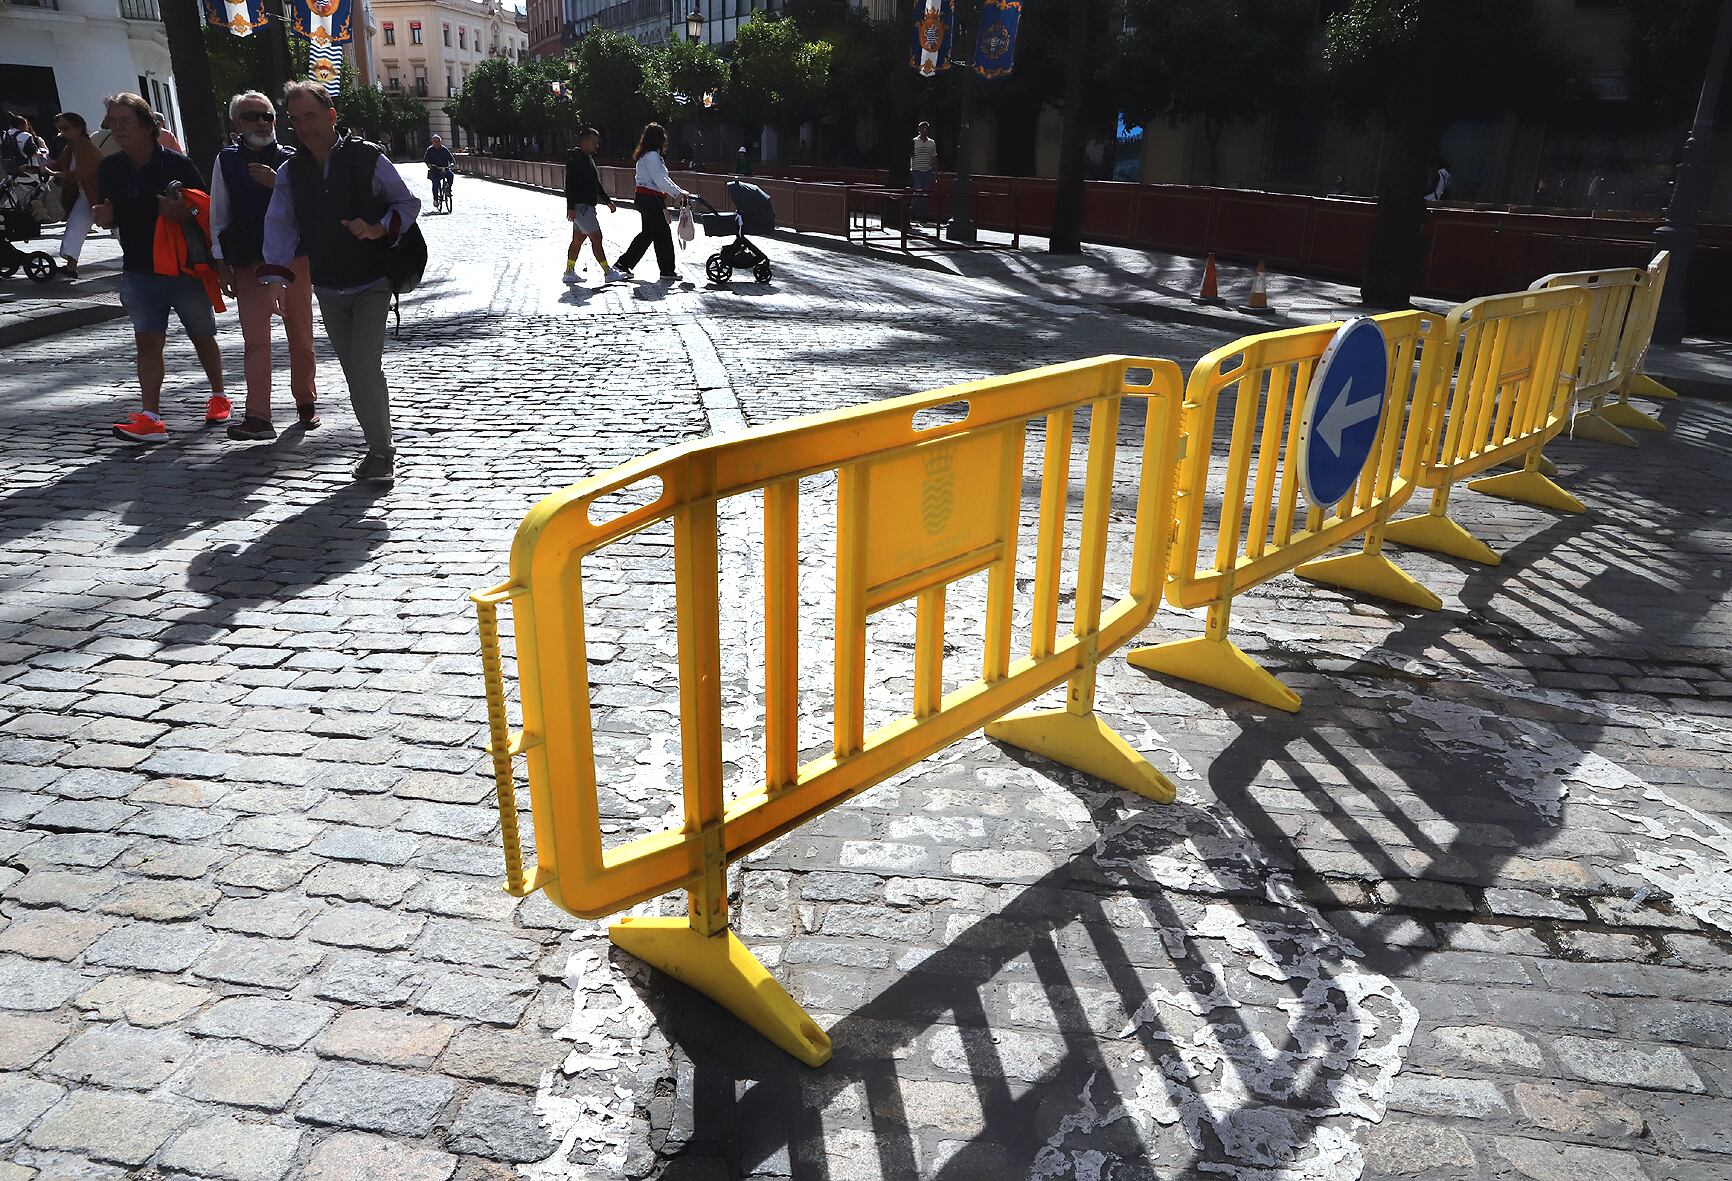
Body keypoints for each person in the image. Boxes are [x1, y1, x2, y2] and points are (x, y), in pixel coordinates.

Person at [260, 81, 420, 484]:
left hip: (372, 281)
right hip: (328, 287)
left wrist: (377, 227)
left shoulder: (367, 158)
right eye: (295, 120)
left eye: (310, 116)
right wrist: (275, 276)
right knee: (354, 371)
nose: (303, 127)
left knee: (364, 367)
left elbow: (407, 203)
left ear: (331, 116)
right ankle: (376, 448)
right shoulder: (291, 172)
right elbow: (280, 224)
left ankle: (381, 453)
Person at [91, 93, 229, 444]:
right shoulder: (110, 168)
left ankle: (219, 395)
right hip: (139, 270)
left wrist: (183, 212)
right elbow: (109, 212)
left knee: (202, 336)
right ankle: (151, 418)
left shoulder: (177, 164)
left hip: (184, 270)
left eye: (125, 121)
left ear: (147, 126)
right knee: (148, 343)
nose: (117, 128)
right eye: (113, 122)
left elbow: (206, 210)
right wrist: (105, 217)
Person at [211, 90, 319, 443]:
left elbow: (313, 209)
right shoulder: (226, 161)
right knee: (256, 341)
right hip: (249, 261)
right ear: (236, 122)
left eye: (267, 116)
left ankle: (306, 401)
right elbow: (219, 214)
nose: (261, 122)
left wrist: (279, 185)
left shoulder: (293, 159)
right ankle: (258, 416)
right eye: (251, 116)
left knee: (301, 337)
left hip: (292, 260)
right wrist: (220, 262)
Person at [614, 122, 687, 282]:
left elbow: (663, 179)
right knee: (662, 234)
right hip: (651, 198)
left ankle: (623, 264)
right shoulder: (653, 156)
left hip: (646, 197)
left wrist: (679, 191)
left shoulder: (647, 155)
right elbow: (660, 179)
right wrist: (678, 193)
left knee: (648, 234)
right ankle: (667, 270)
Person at [562, 126, 619, 284]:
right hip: (582, 207)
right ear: (584, 141)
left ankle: (569, 272)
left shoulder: (588, 159)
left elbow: (596, 183)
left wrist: (607, 201)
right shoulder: (575, 160)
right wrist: (571, 207)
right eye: (594, 142)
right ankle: (608, 272)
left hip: (584, 207)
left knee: (577, 240)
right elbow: (569, 185)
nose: (597, 146)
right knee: (596, 237)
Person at [50, 113, 103, 279]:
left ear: (79, 128)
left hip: (99, 195)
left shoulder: (88, 148)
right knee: (75, 226)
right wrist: (38, 166)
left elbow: (80, 173)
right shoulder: (71, 147)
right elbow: (58, 164)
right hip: (86, 194)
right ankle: (71, 267)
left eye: (65, 128)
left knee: (118, 229)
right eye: (60, 129)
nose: (62, 132)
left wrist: (56, 173)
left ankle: (140, 259)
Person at [424, 134, 454, 206]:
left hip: (444, 168)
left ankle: (448, 189)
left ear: (441, 141)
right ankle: (435, 199)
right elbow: (426, 159)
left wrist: (452, 163)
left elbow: (451, 158)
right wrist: (429, 165)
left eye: (438, 141)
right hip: (434, 170)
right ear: (432, 142)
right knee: (435, 183)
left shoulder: (444, 149)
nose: (437, 143)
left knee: (451, 175)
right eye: (435, 141)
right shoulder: (430, 150)